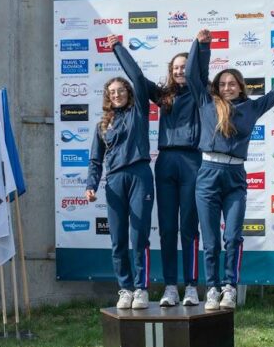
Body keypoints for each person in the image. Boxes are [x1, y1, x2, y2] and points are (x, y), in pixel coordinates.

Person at [186, 29, 274, 309]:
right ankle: (212, 288)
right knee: (210, 240)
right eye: (223, 83)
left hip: (235, 176)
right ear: (217, 88)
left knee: (232, 236)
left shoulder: (252, 108)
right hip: (207, 174)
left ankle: (230, 287)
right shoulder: (206, 102)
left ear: (241, 87)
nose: (227, 87)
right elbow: (193, 75)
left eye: (232, 83)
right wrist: (202, 45)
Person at [110, 36, 209, 307]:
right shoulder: (163, 95)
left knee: (189, 226)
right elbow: (137, 77)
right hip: (165, 162)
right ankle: (170, 287)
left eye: (184, 67)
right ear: (170, 70)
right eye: (176, 67)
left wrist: (201, 47)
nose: (180, 71)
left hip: (192, 162)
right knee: (166, 229)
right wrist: (118, 48)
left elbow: (201, 69)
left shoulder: (201, 92)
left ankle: (190, 286)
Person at [85, 35, 154, 310]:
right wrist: (91, 185)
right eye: (112, 92)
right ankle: (124, 288)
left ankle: (141, 289)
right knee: (118, 241)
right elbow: (95, 160)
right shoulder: (102, 125)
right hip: (114, 182)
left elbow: (136, 75)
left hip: (139, 176)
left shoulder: (139, 112)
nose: (117, 94)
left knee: (139, 237)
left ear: (128, 93)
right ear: (107, 97)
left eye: (121, 91)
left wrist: (117, 48)